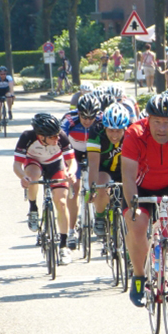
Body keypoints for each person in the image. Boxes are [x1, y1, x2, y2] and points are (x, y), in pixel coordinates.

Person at [121, 93, 168, 306]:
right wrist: (134, 206)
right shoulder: (135, 134)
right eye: (157, 122)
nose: (162, 128)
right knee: (137, 224)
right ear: (148, 119)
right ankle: (138, 276)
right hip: (139, 187)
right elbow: (127, 175)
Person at [14, 113, 76, 264]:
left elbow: (72, 162)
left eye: (57, 135)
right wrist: (23, 177)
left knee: (61, 202)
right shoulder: (27, 137)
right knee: (33, 177)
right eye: (53, 137)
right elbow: (16, 165)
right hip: (34, 163)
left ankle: (63, 245)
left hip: (56, 165)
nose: (57, 139)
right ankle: (33, 207)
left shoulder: (61, 136)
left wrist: (70, 173)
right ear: (41, 137)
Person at [60, 95, 103, 249]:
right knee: (75, 187)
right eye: (83, 116)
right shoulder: (69, 119)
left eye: (91, 117)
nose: (87, 120)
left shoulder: (102, 119)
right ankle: (71, 230)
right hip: (74, 154)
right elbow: (59, 138)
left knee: (100, 184)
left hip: (94, 152)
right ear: (78, 112)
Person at [87, 103, 132, 235]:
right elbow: (94, 164)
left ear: (125, 128)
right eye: (110, 130)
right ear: (104, 127)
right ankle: (100, 216)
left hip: (125, 169)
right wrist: (92, 189)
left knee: (128, 197)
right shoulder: (96, 131)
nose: (114, 135)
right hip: (104, 168)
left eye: (118, 131)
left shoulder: (131, 132)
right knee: (101, 188)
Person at [0, 66, 16, 132]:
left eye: (4, 74)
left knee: (9, 96)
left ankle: (9, 110)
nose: (3, 75)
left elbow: (11, 87)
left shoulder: (9, 78)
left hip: (6, 90)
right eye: (1, 74)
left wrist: (12, 94)